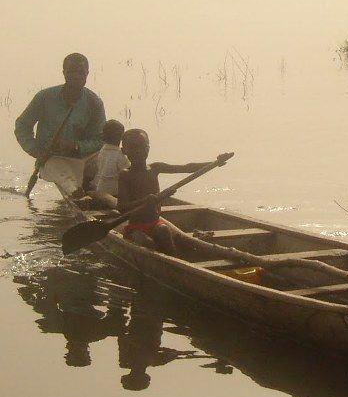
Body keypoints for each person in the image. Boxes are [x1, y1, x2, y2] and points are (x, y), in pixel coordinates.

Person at [117, 128, 232, 255]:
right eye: (133, 147)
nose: (138, 151)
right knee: (146, 243)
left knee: (164, 231)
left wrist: (216, 162)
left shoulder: (155, 168)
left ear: (148, 148)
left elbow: (187, 168)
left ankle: (174, 261)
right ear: (124, 151)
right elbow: (122, 208)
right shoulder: (125, 175)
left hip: (155, 223)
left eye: (142, 146)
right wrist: (146, 200)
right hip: (135, 228)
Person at [14, 53, 106, 194]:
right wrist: (36, 151)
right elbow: (22, 126)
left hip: (83, 158)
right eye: (71, 72)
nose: (76, 76)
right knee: (69, 183)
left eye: (81, 72)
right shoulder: (44, 97)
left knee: (108, 161)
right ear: (64, 73)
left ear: (87, 73)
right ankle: (76, 194)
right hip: (52, 159)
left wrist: (76, 146)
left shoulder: (94, 102)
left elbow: (100, 140)